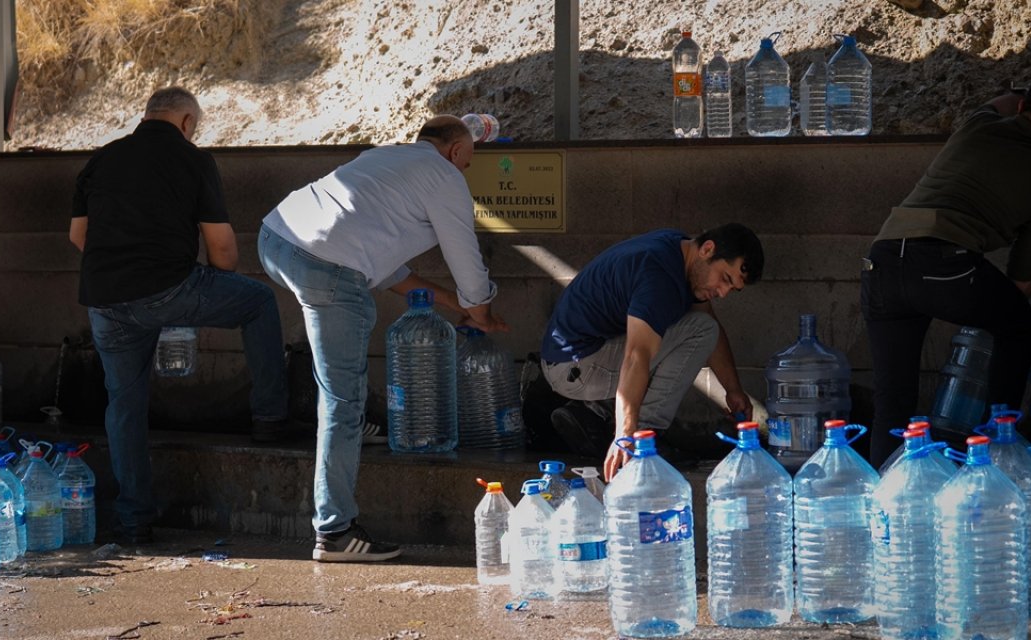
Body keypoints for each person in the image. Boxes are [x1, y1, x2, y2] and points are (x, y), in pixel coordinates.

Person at [259, 115, 509, 562]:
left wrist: (456, 307)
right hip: (325, 266)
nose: (465, 171)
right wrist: (481, 309)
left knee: (339, 379)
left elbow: (387, 268)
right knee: (342, 399)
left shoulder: (386, 159)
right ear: (454, 152)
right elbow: (467, 261)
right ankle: (334, 532)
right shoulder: (445, 176)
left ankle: (351, 427)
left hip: (275, 239)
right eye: (467, 162)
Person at [70, 87, 289, 543]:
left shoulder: (102, 158)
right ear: (187, 122)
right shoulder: (194, 159)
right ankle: (270, 418)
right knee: (258, 301)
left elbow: (78, 237)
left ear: (147, 114)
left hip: (104, 299)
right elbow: (224, 254)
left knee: (124, 404)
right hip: (168, 287)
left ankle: (133, 521)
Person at [862, 72, 1031, 467]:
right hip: (943, 264)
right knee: (1016, 321)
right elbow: (1021, 283)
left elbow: (997, 103)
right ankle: (998, 437)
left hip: (880, 262)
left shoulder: (979, 124)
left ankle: (884, 494)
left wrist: (1016, 92)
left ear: (1021, 107)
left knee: (892, 402)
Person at [539, 224, 765, 481]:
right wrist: (625, 435)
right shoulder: (660, 277)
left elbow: (706, 318)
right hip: (574, 366)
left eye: (732, 288)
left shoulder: (678, 249)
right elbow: (637, 355)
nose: (723, 293)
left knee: (699, 325)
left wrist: (734, 390)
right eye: (725, 279)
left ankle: (598, 414)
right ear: (707, 249)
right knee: (698, 331)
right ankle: (645, 439)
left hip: (575, 358)